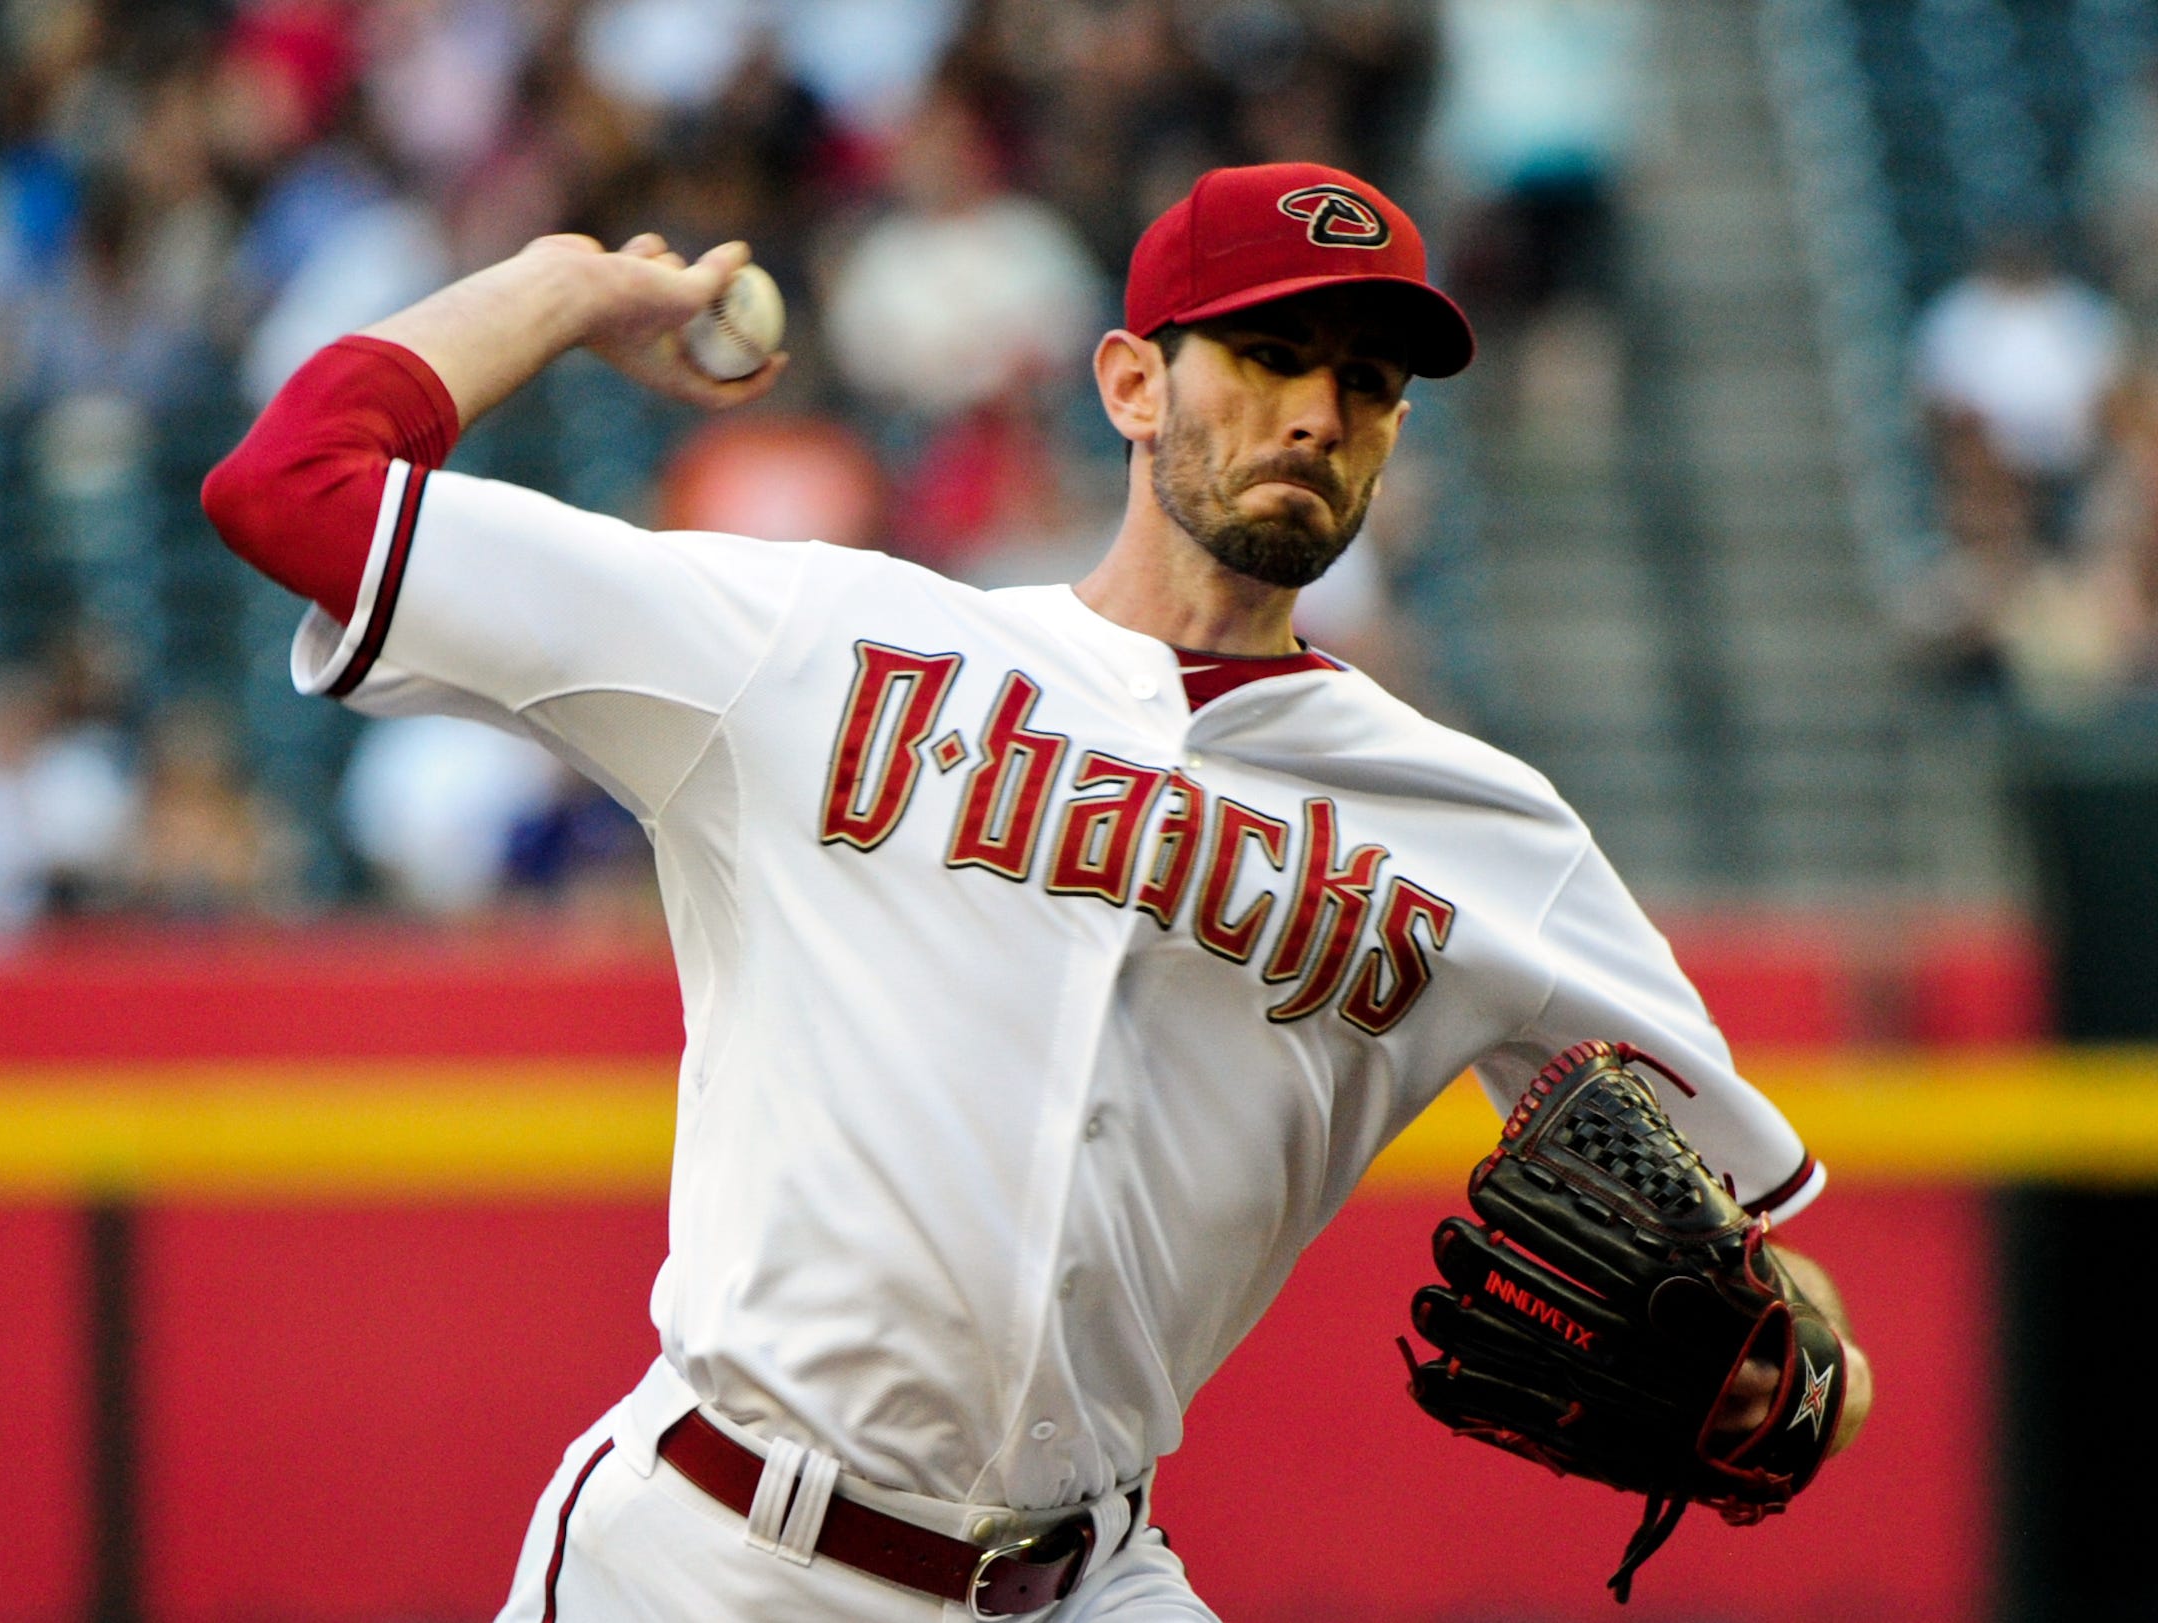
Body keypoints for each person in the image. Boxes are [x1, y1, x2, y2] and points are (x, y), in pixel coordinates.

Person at [200, 160, 1871, 1622]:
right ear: (1134, 383)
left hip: (1091, 1579)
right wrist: (563, 288)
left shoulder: (1490, 832)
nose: (1318, 413)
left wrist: (1788, 1374)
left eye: (1367, 384)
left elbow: (1776, 1273)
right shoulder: (821, 647)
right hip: (710, 1558)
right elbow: (291, 489)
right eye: (1273, 354)